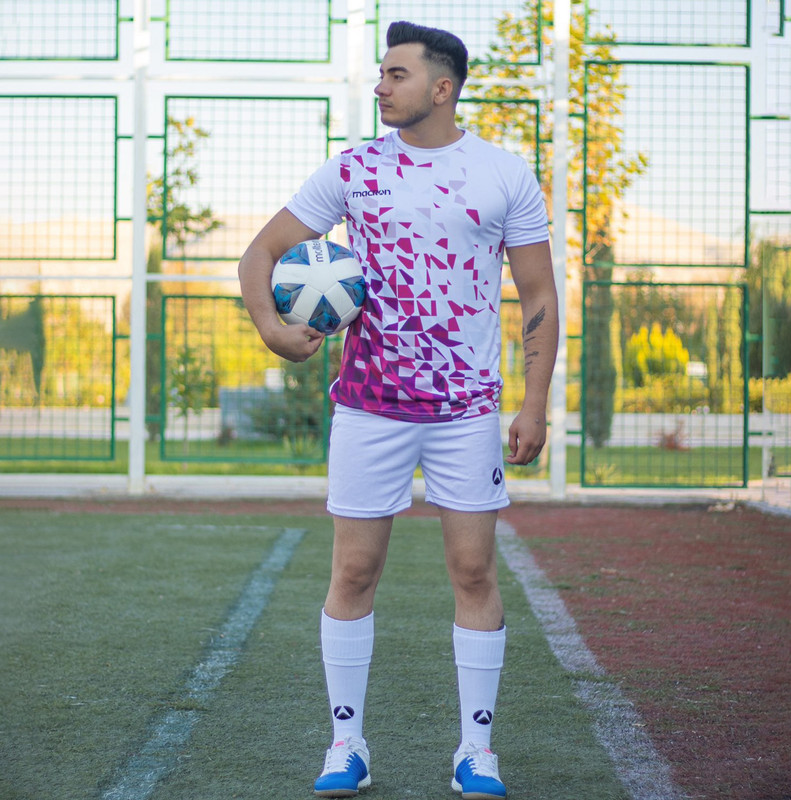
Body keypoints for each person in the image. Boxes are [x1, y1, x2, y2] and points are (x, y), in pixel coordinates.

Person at [238, 20, 558, 800]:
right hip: (369, 408)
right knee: (353, 570)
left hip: (466, 411)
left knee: (474, 570)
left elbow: (539, 296)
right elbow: (260, 253)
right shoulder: (352, 170)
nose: (380, 86)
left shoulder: (504, 174)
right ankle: (346, 743)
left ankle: (476, 752)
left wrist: (534, 402)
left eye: (396, 74)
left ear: (443, 88)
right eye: (381, 74)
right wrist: (273, 330)